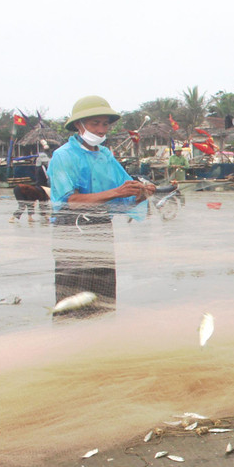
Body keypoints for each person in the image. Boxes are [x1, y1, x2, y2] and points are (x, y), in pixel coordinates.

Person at [48, 95, 154, 317]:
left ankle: (103, 334)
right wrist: (117, 192)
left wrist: (141, 193)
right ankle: (69, 336)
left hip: (100, 227)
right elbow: (71, 202)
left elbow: (123, 200)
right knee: (73, 297)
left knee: (102, 295)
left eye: (105, 124)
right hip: (71, 231)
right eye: (95, 123)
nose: (101, 129)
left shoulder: (105, 156)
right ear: (79, 125)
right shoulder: (63, 156)